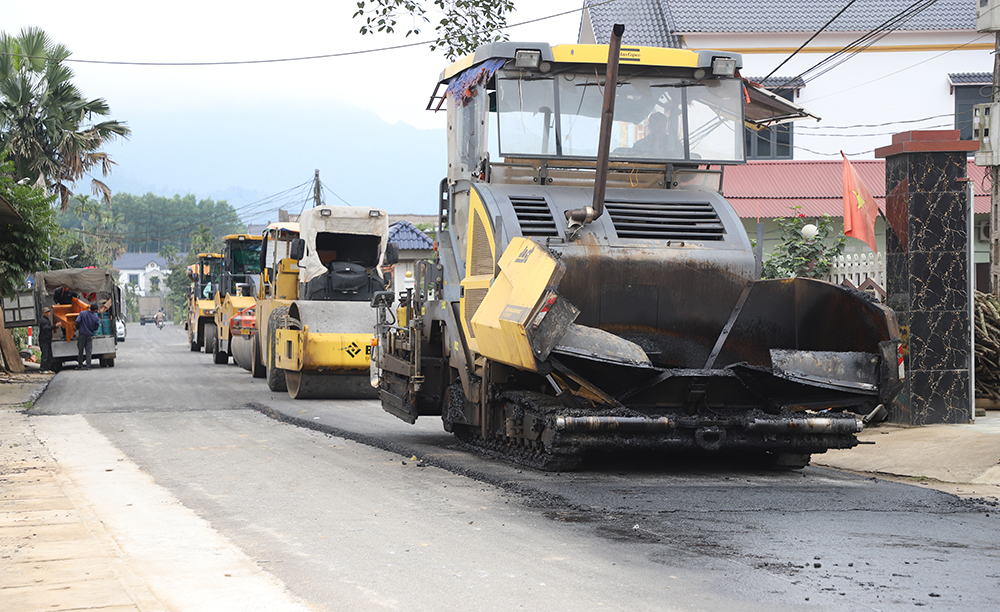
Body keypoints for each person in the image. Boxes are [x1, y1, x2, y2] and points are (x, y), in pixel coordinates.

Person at [75, 303, 100, 370]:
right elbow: (97, 326)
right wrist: (93, 329)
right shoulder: (95, 317)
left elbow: (77, 321)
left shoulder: (82, 313)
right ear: (95, 310)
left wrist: (77, 327)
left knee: (80, 350)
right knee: (88, 351)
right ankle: (88, 366)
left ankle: (80, 365)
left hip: (82, 335)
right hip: (89, 335)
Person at [38, 307, 61, 372]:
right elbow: (46, 328)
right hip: (44, 340)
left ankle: (47, 368)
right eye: (46, 312)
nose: (48, 313)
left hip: (47, 340)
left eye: (49, 312)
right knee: (45, 355)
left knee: (49, 355)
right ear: (43, 313)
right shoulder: (43, 321)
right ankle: (43, 369)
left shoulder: (47, 320)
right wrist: (55, 326)